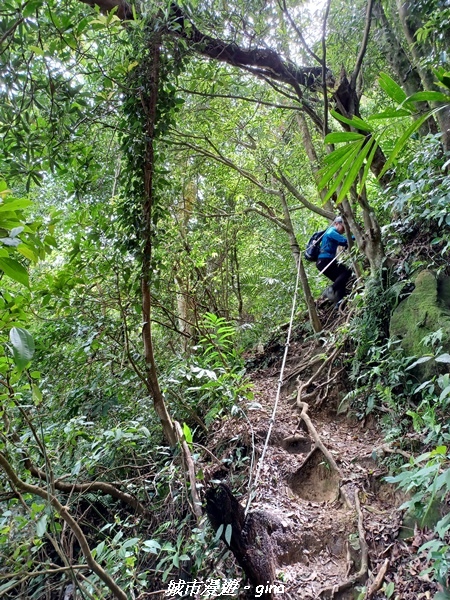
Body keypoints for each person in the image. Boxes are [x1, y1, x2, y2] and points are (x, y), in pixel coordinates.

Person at [316, 216, 352, 304]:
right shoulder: (331, 232)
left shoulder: (332, 233)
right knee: (347, 272)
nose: (344, 229)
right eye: (343, 226)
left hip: (323, 262)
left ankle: (339, 303)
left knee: (340, 280)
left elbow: (343, 242)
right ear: (336, 224)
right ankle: (330, 290)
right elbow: (345, 241)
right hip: (325, 261)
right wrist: (358, 236)